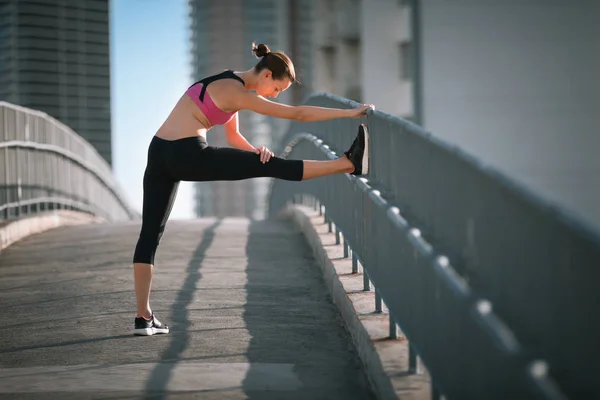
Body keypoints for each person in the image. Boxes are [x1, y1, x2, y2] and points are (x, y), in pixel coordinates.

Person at [132, 42, 374, 336]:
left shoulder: (226, 81)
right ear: (267, 75)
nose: (274, 96)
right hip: (187, 154)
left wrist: (254, 153)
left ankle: (143, 317)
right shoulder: (240, 92)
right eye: (277, 90)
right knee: (274, 166)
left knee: (150, 234)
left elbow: (233, 135)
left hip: (158, 153)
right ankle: (347, 164)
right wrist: (350, 114)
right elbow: (297, 115)